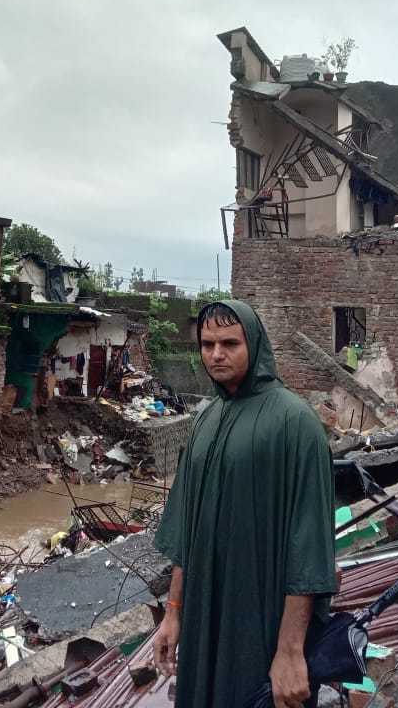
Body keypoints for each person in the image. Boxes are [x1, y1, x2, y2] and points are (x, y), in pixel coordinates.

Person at [153, 300, 337, 708]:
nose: (216, 354)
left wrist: (290, 652)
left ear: (254, 344)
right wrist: (174, 612)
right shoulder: (205, 419)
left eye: (230, 343)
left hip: (261, 620)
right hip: (205, 618)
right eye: (207, 344)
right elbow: (188, 530)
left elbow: (308, 551)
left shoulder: (296, 424)